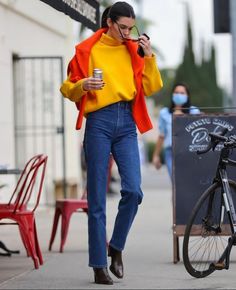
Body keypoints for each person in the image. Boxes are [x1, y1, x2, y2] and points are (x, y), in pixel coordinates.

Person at [60, 1, 163, 285]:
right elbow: (66, 87)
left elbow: (153, 87)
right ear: (109, 22)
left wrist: (149, 56)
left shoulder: (134, 51)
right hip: (99, 123)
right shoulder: (88, 49)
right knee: (96, 198)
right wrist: (83, 86)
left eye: (132, 28)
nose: (128, 33)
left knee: (133, 190)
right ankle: (97, 265)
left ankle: (115, 246)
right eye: (123, 27)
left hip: (127, 122)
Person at [152, 82, 200, 180]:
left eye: (182, 93)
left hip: (189, 152)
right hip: (171, 152)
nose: (179, 95)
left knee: (188, 182)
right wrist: (156, 155)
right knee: (175, 182)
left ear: (187, 96)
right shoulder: (164, 113)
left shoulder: (194, 112)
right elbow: (161, 135)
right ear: (172, 95)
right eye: (176, 92)